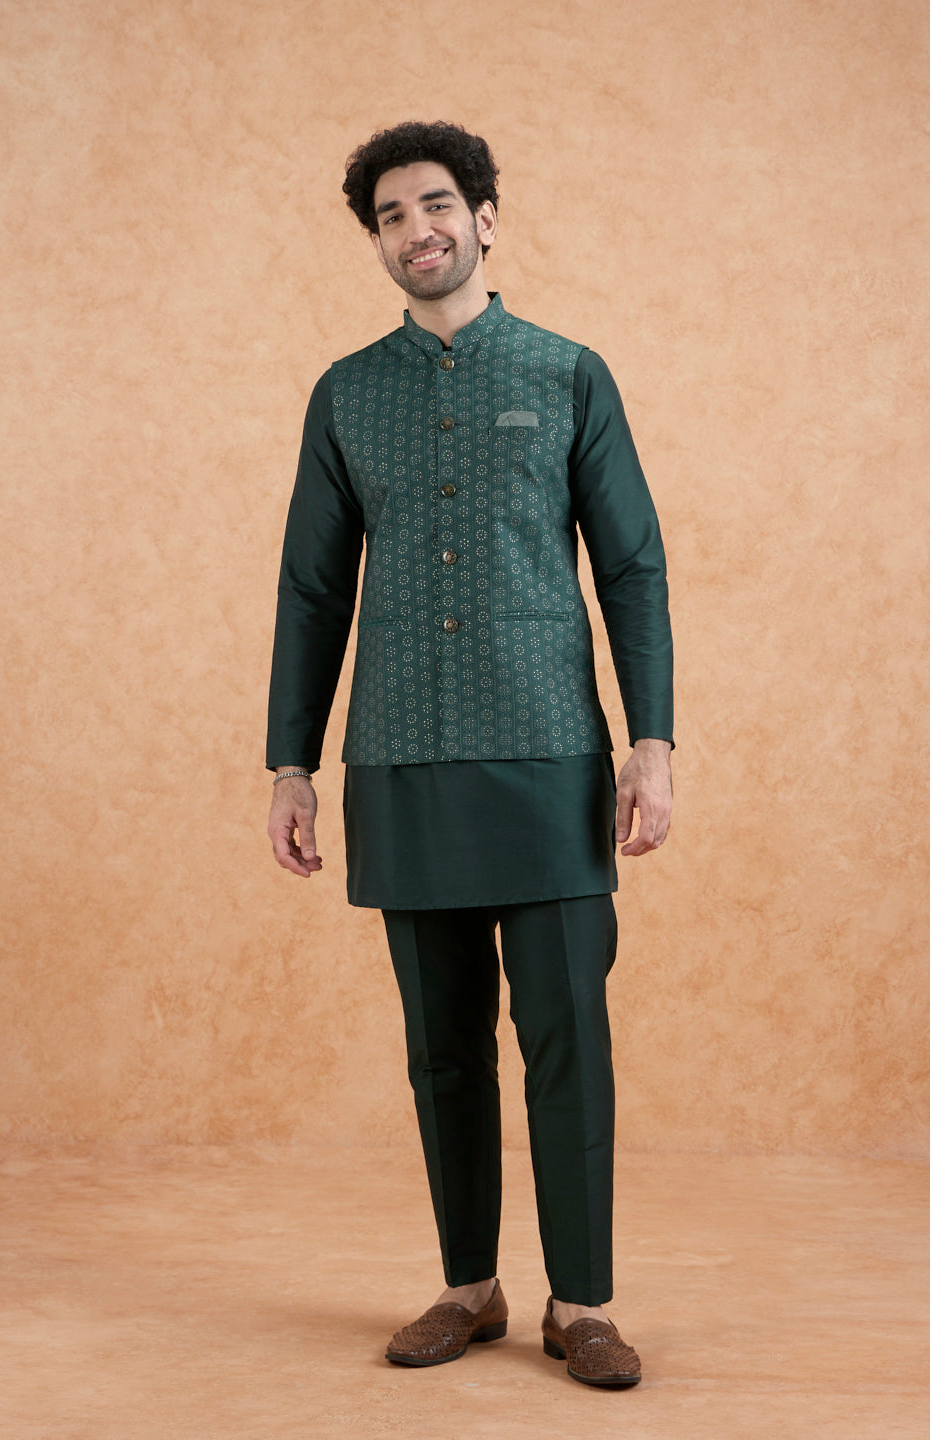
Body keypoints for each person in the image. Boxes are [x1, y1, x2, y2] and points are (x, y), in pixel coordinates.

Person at [266, 121, 673, 1388]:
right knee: (441, 1047)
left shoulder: (567, 374)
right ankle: (470, 1287)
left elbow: (631, 567)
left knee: (568, 1038)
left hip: (549, 753)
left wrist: (651, 743)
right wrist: (292, 763)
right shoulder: (347, 393)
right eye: (391, 216)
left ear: (484, 218)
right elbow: (312, 590)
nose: (417, 230)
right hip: (401, 755)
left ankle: (582, 1303)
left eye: (435, 204)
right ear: (379, 243)